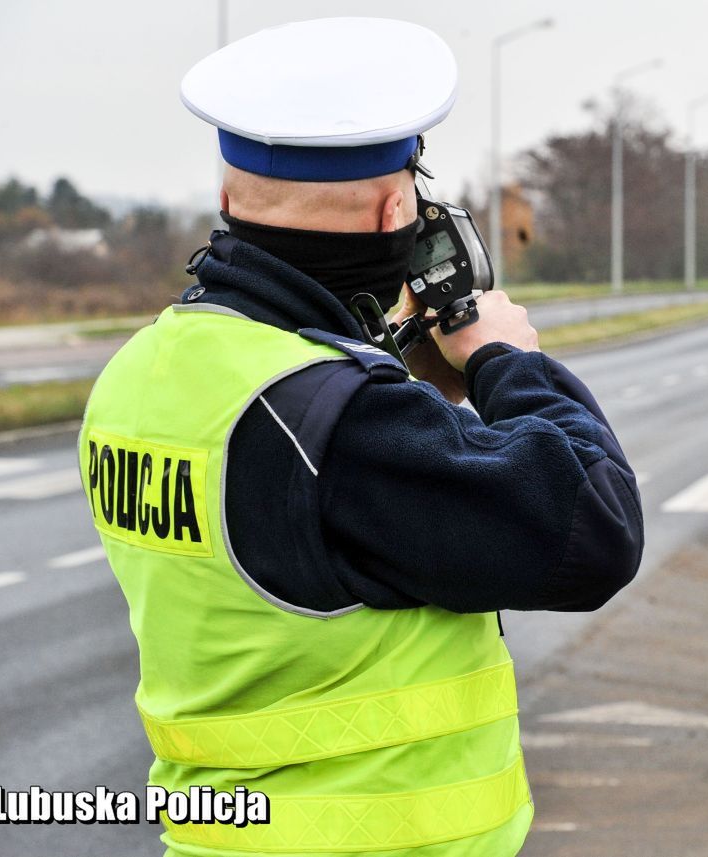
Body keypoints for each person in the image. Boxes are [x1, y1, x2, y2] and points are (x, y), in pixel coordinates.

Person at [78, 17, 643, 857]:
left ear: (229, 199)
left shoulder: (137, 374)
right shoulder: (344, 424)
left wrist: (393, 360)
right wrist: (503, 359)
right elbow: (595, 530)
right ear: (395, 208)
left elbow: (299, 509)